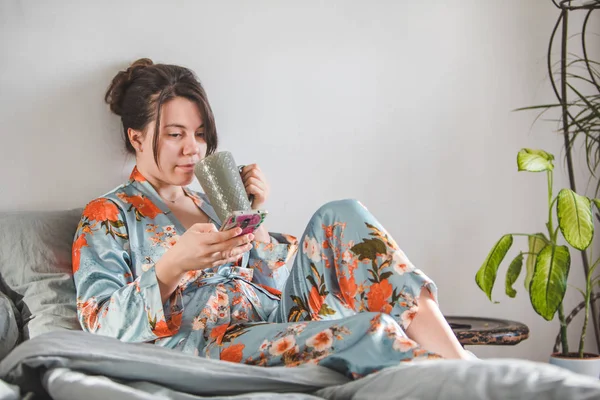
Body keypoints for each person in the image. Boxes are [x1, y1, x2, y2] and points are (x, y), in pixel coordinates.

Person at [72, 58, 469, 380]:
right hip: (207, 342)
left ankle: (460, 366)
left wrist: (254, 216)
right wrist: (171, 267)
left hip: (272, 318)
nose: (193, 148)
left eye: (199, 133)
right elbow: (100, 324)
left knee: (342, 212)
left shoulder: (212, 202)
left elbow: (275, 280)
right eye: (175, 134)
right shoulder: (109, 214)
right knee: (370, 330)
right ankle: (447, 380)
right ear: (137, 137)